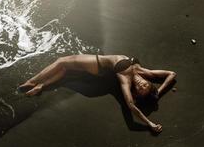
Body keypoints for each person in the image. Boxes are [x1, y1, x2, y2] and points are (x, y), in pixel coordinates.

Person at [19, 54, 176, 133]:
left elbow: (130, 105)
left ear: (136, 92)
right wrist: (158, 94)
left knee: (61, 61)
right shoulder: (144, 72)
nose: (142, 85)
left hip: (98, 64)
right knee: (66, 71)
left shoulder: (126, 80)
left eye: (141, 89)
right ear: (150, 83)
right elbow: (171, 74)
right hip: (101, 71)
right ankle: (41, 86)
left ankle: (31, 81)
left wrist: (149, 124)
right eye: (147, 85)